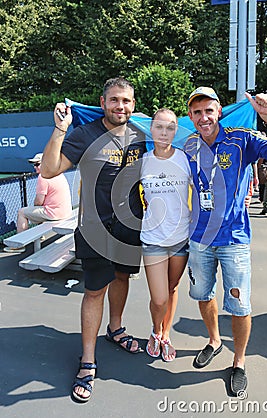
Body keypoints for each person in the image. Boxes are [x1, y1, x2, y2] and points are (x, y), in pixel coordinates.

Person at [184, 86, 267, 396]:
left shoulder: (241, 139)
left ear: (219, 111)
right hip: (200, 239)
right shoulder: (188, 146)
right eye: (197, 111)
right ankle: (214, 341)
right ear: (191, 116)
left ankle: (239, 361)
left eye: (209, 110)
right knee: (203, 294)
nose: (203, 117)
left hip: (234, 239)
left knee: (239, 304)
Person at [40, 77, 146, 403]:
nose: (120, 107)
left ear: (133, 104)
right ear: (103, 102)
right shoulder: (83, 135)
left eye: (126, 101)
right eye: (114, 100)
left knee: (123, 277)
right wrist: (60, 129)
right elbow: (48, 170)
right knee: (94, 291)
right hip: (95, 229)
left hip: (129, 229)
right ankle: (88, 361)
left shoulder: (140, 137)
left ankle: (115, 329)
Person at [140, 108, 192, 362]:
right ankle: (155, 328)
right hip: (153, 239)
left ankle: (165, 333)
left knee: (172, 288)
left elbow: (208, 189)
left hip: (181, 238)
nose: (164, 132)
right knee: (159, 297)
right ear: (151, 129)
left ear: (176, 131)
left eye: (170, 127)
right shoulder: (142, 161)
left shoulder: (185, 159)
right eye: (159, 127)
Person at [4, 152, 72, 253]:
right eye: (34, 165)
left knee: (22, 212)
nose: (35, 168)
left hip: (55, 214)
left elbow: (39, 202)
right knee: (40, 209)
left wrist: (35, 207)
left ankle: (19, 245)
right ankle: (40, 236)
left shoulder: (43, 177)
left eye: (37, 164)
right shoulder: (58, 173)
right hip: (66, 212)